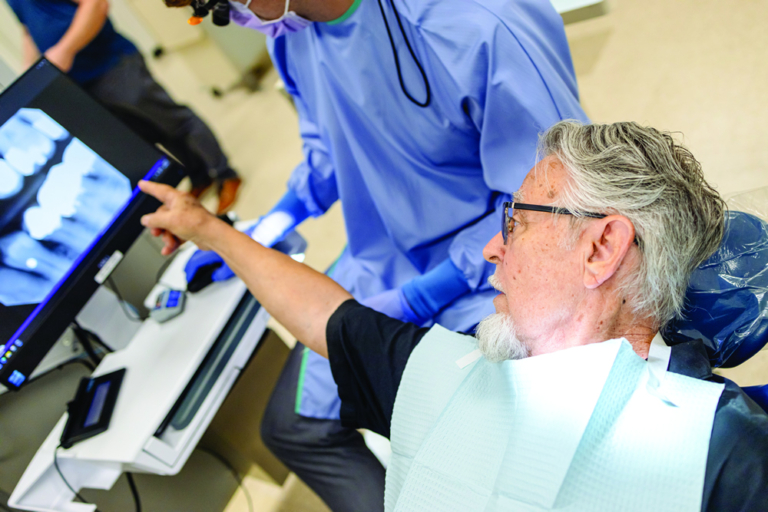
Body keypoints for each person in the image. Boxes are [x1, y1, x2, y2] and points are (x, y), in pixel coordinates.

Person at [139, 120, 768, 511]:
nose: (494, 247)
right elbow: (324, 314)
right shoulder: (451, 368)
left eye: (515, 222)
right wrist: (203, 228)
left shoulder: (718, 448)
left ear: (601, 247)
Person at [164, 0, 588, 507]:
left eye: (218, 5)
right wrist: (272, 222)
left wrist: (421, 297)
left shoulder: (476, 22)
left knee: (476, 455)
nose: (232, 21)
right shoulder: (292, 32)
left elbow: (552, 204)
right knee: (293, 427)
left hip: (498, 273)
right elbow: (329, 151)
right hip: (385, 262)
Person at [6, 0, 242, 214]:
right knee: (152, 133)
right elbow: (27, 28)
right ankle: (200, 176)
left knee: (174, 121)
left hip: (112, 63)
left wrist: (66, 50)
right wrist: (30, 70)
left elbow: (96, 4)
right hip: (81, 80)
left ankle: (225, 174)